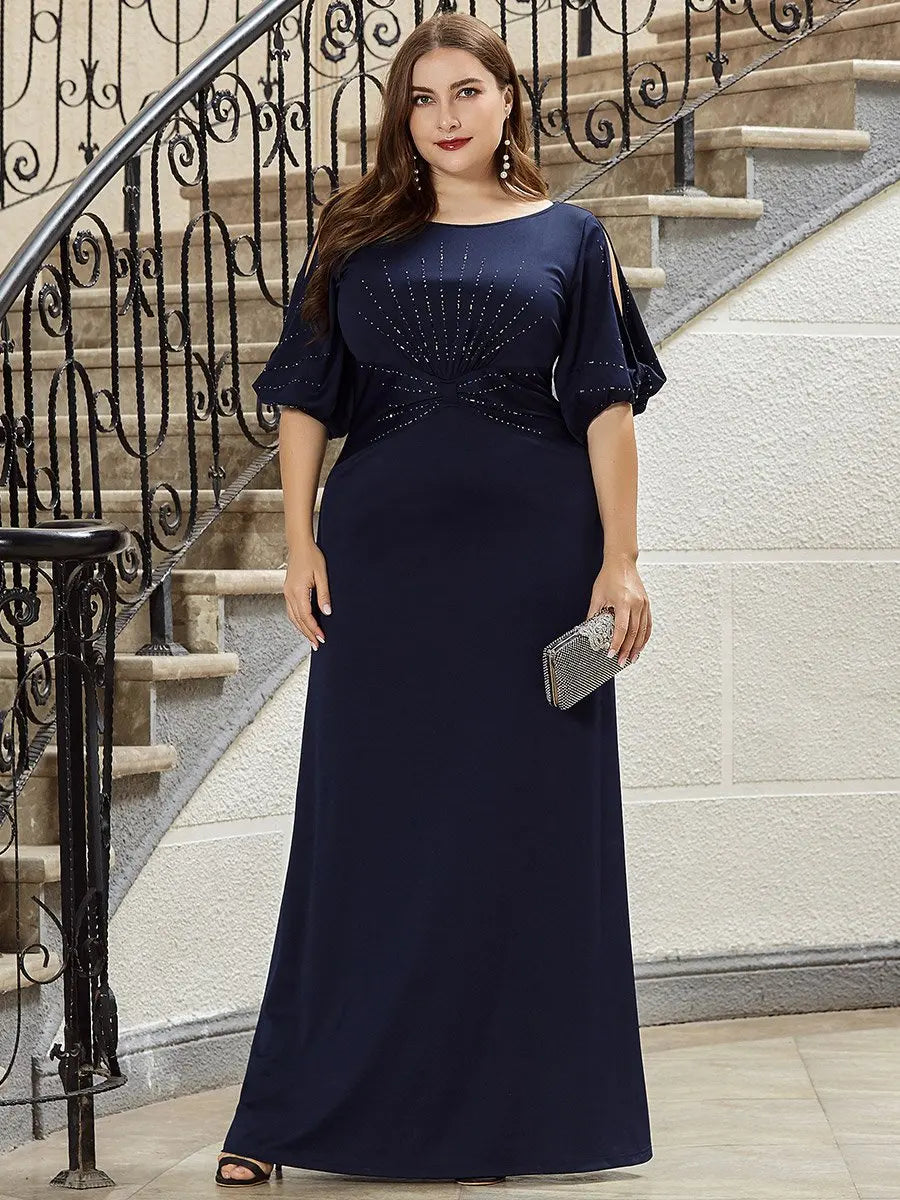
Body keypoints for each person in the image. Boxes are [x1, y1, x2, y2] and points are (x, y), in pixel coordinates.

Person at [215, 9, 666, 1189]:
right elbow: (309, 397)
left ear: (508, 99)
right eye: (423, 98)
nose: (447, 116)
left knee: (528, 829)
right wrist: (299, 539)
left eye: (467, 91)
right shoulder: (354, 237)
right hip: (386, 565)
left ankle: (519, 1115)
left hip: (534, 565)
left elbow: (605, 406)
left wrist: (620, 559)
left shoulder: (574, 238)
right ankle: (291, 1115)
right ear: (403, 117)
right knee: (359, 828)